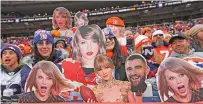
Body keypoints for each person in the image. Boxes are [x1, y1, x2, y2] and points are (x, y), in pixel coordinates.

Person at [61, 24, 106, 101]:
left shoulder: (108, 69)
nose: (89, 47)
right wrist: (55, 92)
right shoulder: (64, 65)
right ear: (77, 45)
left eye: (94, 41)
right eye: (83, 42)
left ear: (100, 43)